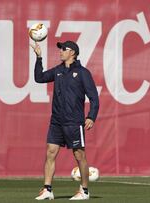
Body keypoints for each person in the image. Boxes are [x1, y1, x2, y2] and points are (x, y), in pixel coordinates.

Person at [30, 40, 99, 200]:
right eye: (60, 49)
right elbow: (39, 78)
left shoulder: (83, 73)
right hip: (57, 121)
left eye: (64, 49)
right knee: (50, 152)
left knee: (79, 155)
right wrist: (39, 57)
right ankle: (47, 189)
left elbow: (94, 98)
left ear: (73, 53)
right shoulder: (58, 70)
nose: (60, 51)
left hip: (74, 122)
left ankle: (84, 191)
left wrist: (91, 116)